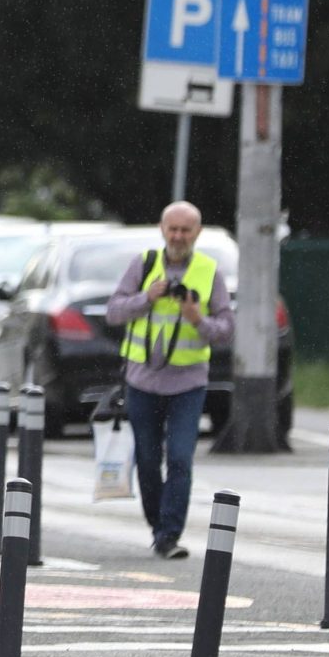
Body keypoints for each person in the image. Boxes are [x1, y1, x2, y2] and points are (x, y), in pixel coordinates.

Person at [103, 200, 234, 559]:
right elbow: (114, 312)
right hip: (142, 382)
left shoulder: (210, 272)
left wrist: (196, 318)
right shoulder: (143, 265)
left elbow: (225, 331)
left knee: (179, 458)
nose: (178, 236)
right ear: (162, 230)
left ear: (197, 233)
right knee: (147, 459)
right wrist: (147, 297)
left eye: (185, 230)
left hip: (188, 385)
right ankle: (157, 523)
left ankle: (168, 535)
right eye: (172, 229)